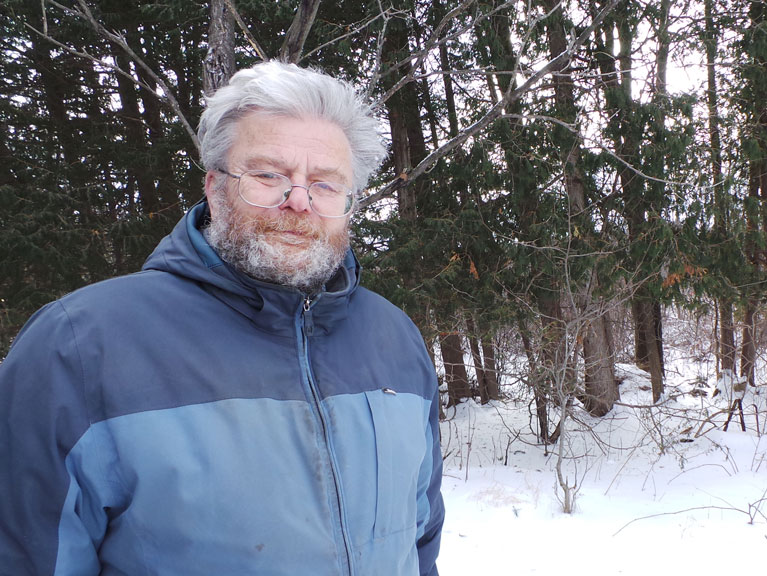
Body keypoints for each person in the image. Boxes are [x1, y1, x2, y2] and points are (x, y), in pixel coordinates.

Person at [0, 61, 444, 576]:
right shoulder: (78, 345)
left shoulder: (394, 337)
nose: (299, 201)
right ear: (214, 187)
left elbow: (419, 541)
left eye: (325, 184)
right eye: (269, 175)